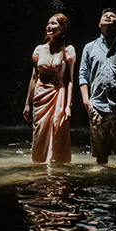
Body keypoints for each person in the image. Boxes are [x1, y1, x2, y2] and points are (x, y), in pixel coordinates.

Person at [79, 8, 116, 164]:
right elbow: (83, 75)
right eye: (105, 16)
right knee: (100, 155)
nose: (108, 17)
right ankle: (102, 183)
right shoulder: (89, 47)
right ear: (99, 24)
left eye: (112, 17)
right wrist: (86, 100)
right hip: (97, 105)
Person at [22, 13, 77, 163]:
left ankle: (57, 170)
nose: (49, 26)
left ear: (63, 28)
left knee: (58, 131)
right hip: (40, 96)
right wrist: (28, 103)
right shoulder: (39, 49)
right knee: (39, 133)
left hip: (58, 94)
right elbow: (34, 77)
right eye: (48, 23)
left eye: (53, 24)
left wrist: (68, 106)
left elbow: (69, 80)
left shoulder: (68, 50)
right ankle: (39, 168)